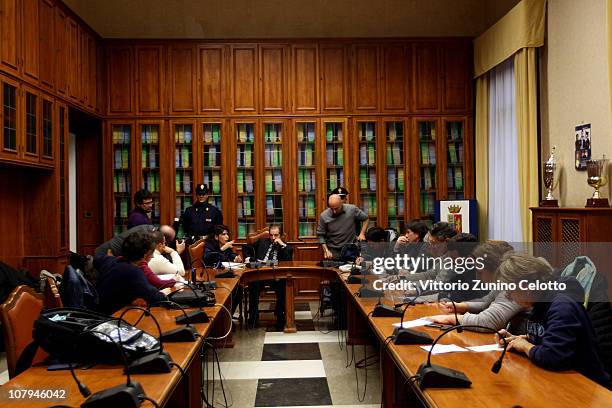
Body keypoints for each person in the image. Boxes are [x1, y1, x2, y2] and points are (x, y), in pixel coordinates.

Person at [495, 252, 612, 389]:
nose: (508, 297)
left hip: (589, 387)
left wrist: (525, 346)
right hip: (563, 382)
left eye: (509, 291)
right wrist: (519, 339)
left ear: (526, 286)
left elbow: (553, 356)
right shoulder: (540, 302)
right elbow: (549, 336)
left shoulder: (562, 306)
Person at [427, 241, 525, 331]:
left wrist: (451, 318)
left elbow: (487, 322)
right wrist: (461, 306)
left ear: (496, 270)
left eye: (480, 272)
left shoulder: (514, 285)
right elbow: (487, 301)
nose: (477, 278)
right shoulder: (503, 281)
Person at [94, 230, 168, 314]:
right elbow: (155, 297)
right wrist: (167, 295)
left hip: (95, 311)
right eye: (151, 253)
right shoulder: (134, 273)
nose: (152, 256)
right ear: (145, 255)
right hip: (109, 318)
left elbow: (97, 258)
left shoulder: (111, 260)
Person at [243, 225, 293, 329]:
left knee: (283, 285)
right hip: (260, 274)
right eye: (271, 235)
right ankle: (253, 317)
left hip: (276, 276)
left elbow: (289, 260)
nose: (273, 238)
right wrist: (248, 258)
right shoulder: (262, 241)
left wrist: (282, 244)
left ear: (281, 235)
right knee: (253, 284)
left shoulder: (285, 246)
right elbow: (246, 247)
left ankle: (280, 316)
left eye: (276, 235)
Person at [317, 194, 369, 259]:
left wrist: (362, 233)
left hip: (351, 249)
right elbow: (320, 235)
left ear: (341, 203)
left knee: (351, 268)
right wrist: (326, 250)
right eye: (331, 208)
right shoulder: (324, 216)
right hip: (333, 251)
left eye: (336, 208)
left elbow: (366, 218)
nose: (334, 211)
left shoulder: (352, 209)